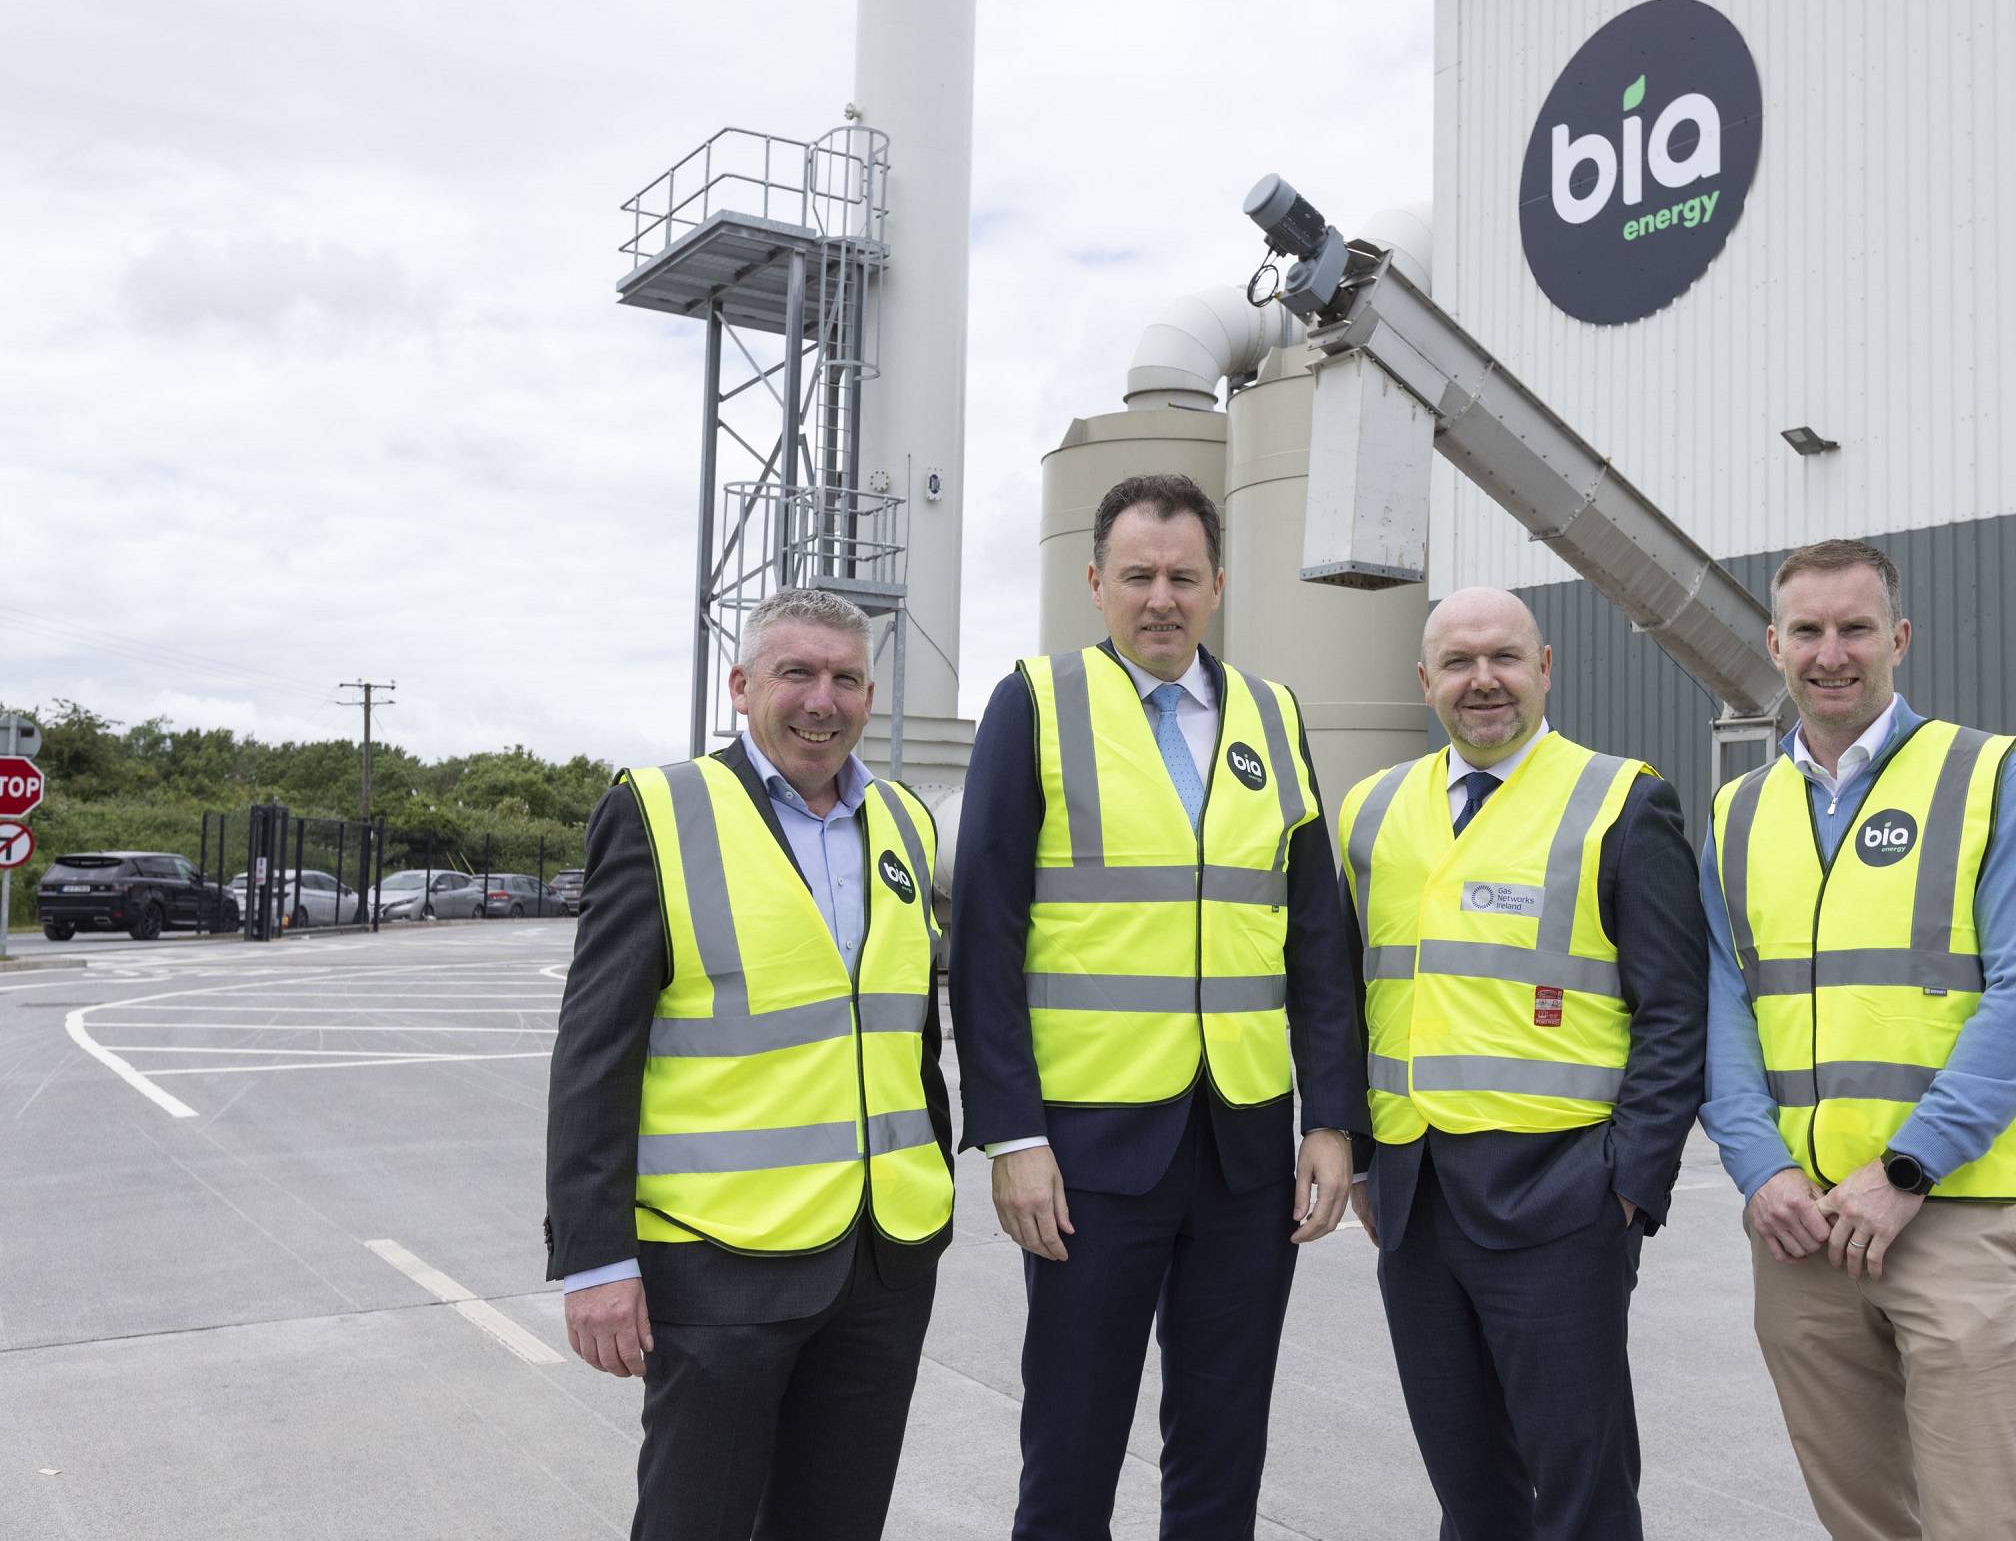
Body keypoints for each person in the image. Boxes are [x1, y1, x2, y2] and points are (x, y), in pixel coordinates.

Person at [949, 473, 1368, 1540]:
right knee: (1072, 1450)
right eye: (1137, 576)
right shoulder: (1036, 704)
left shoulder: (1272, 715)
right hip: (1088, 1156)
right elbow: (986, 939)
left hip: (1244, 1151)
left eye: (1184, 577)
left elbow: (1316, 938)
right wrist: (1011, 1135)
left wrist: (1332, 1120)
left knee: (1224, 1452)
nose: (1161, 599)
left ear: (1218, 585)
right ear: (1096, 583)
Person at [545, 587, 953, 1541]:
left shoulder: (904, 821)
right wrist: (595, 1259)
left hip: (882, 1259)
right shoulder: (661, 812)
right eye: (796, 673)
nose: (823, 700)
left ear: (869, 695)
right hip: (716, 1265)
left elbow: (910, 1031)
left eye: (846, 679)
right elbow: (595, 1051)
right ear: (741, 686)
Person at [1699, 538, 2016, 1541]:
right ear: (1774, 644)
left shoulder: (1994, 778)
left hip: (1954, 1212)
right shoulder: (1737, 813)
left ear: (1899, 638)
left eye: (1856, 628)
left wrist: (1907, 1168)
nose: (1832, 653)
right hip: (1803, 1227)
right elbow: (1725, 1007)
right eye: (1809, 631)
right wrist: (1759, 1171)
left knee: (1980, 1518)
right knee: (1863, 1521)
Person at [1339, 585, 1709, 1541]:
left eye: (1504, 657)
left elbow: (1676, 1012)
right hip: (1414, 1199)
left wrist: (1628, 1189)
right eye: (1457, 663)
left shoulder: (1622, 802)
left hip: (1563, 1198)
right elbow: (1348, 998)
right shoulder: (1371, 813)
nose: (1483, 680)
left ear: (1545, 668)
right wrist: (1364, 1157)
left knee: (1581, 1498)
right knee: (1471, 1496)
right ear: (1424, 681)